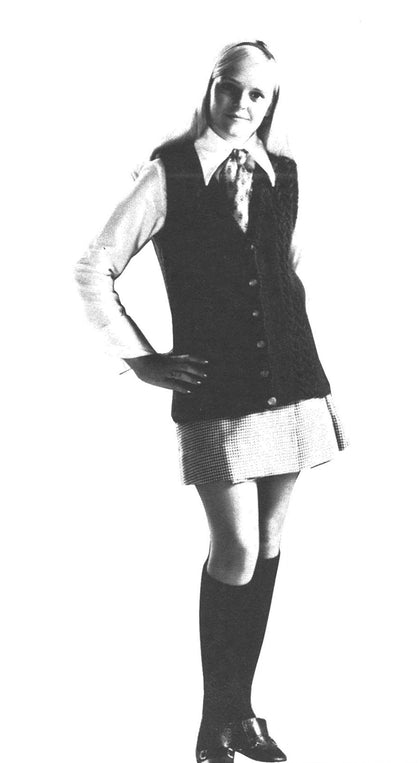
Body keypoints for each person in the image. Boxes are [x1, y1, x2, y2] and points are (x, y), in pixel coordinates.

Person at [75, 39, 348, 763]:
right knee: (237, 549)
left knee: (271, 545)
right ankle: (213, 722)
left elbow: (293, 273)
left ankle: (241, 716)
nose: (241, 104)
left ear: (271, 104)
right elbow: (93, 267)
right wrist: (141, 359)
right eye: (231, 87)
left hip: (292, 383)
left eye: (258, 94)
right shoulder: (168, 173)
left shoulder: (284, 172)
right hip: (217, 391)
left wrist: (301, 351)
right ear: (211, 87)